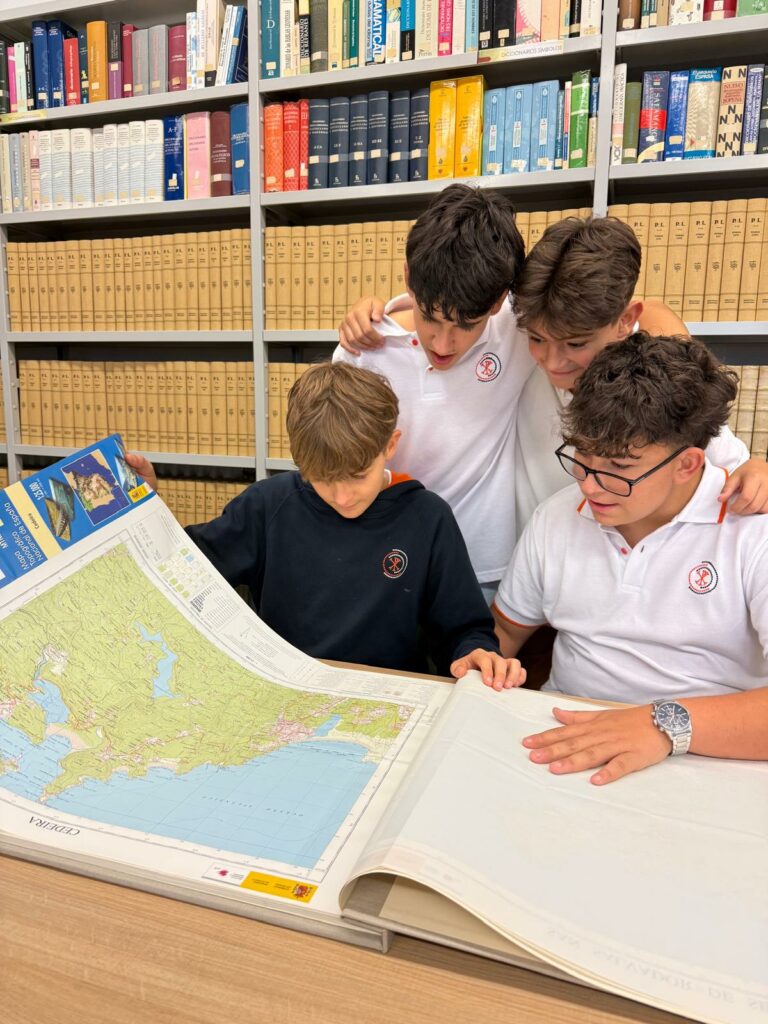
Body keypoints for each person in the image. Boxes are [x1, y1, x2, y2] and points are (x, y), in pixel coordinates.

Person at [339, 214, 768, 560]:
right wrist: (378, 309)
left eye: (576, 345)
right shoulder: (514, 324)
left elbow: (715, 445)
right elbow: (445, 301)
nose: (552, 362)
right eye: (538, 341)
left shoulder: (649, 386)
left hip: (611, 572)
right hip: (521, 565)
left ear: (623, 321)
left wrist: (755, 466)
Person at [126, 362, 524, 686]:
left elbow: (464, 629)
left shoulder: (428, 518)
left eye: (357, 477)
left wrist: (475, 654)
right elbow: (181, 569)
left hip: (387, 701)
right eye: (322, 480)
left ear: (390, 445)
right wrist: (148, 507)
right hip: (285, 695)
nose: (343, 497)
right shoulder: (268, 505)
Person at [491, 333, 768, 783]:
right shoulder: (557, 517)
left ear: (688, 464)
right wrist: (481, 660)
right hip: (559, 742)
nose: (590, 486)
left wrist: (664, 724)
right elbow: (504, 631)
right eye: (582, 455)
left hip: (709, 759)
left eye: (619, 469)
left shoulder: (754, 530)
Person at [334, 182, 533, 602]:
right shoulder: (361, 350)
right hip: (385, 567)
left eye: (466, 325)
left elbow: (631, 315)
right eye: (430, 318)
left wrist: (714, 458)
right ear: (408, 278)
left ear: (498, 301)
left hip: (483, 572)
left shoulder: (520, 328)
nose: (443, 345)